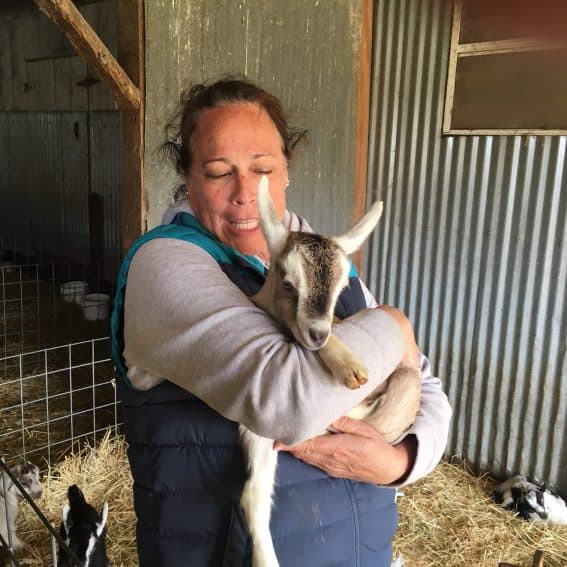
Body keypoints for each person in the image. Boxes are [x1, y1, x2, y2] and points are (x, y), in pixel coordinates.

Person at [111, 77, 452, 566]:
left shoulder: (326, 256)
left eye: (262, 168)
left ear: (287, 171)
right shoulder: (164, 266)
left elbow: (427, 387)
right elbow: (286, 400)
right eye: (217, 172)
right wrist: (395, 326)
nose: (246, 193)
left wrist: (398, 463)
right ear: (187, 177)